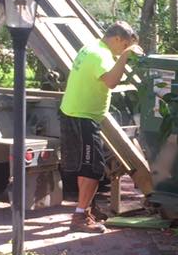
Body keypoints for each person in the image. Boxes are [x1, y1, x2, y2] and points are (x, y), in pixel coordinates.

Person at [59, 21, 141, 233]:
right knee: (94, 169)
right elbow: (111, 82)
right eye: (125, 46)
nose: (124, 50)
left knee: (86, 167)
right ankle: (79, 217)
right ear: (118, 39)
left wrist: (123, 54)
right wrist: (125, 57)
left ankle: (87, 208)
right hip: (82, 117)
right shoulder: (101, 55)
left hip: (74, 113)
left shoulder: (92, 47)